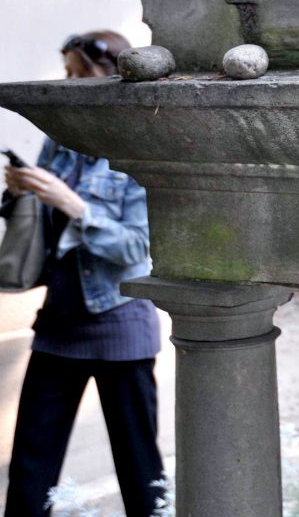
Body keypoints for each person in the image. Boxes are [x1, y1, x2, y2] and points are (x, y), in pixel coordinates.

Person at [2, 31, 165, 517]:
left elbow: (138, 245)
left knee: (140, 469)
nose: (68, 84)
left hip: (119, 323)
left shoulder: (139, 149)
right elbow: (48, 225)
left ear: (109, 74)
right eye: (66, 73)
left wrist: (72, 204)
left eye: (78, 73)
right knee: (31, 466)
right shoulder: (60, 140)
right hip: (59, 320)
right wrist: (25, 193)